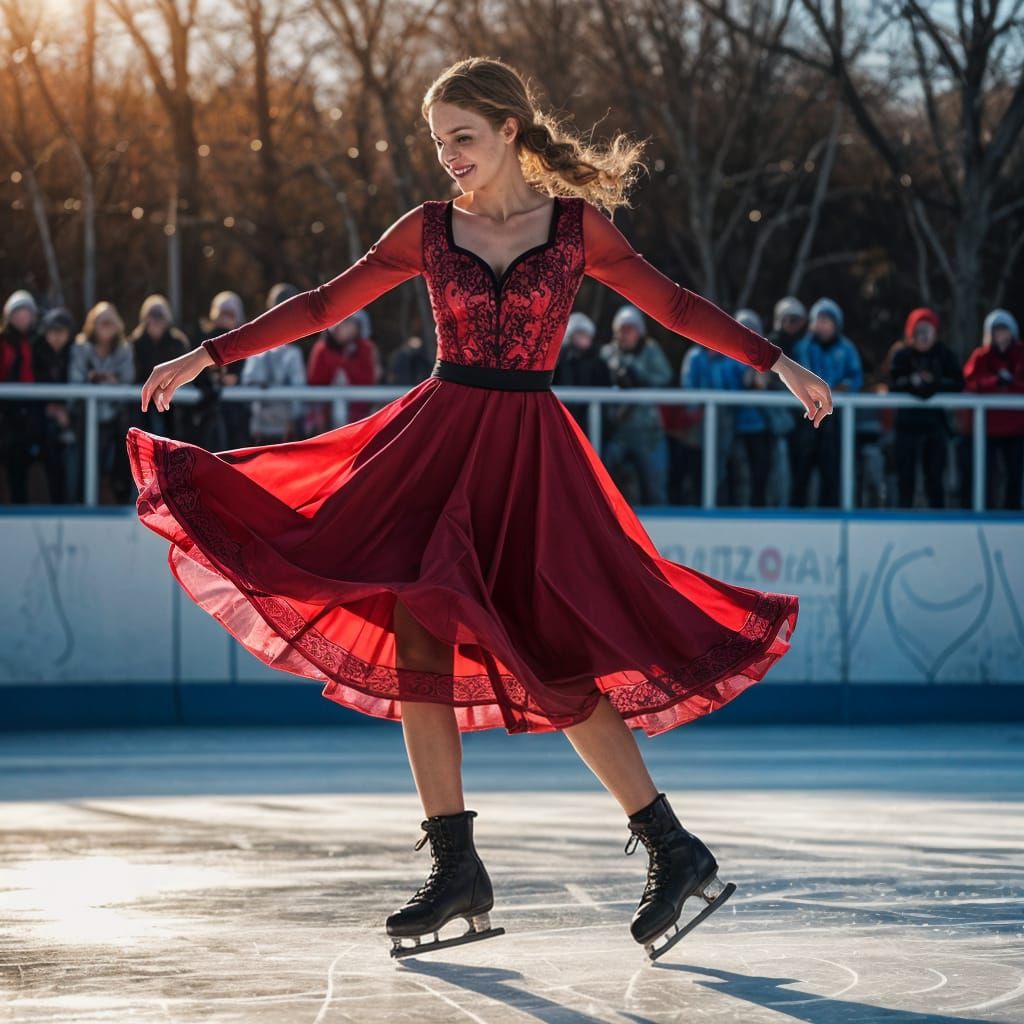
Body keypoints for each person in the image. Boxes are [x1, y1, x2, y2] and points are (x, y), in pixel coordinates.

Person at [125, 56, 830, 961]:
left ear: (509, 130)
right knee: (417, 637)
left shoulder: (578, 230)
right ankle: (455, 863)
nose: (448, 155)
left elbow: (677, 306)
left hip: (529, 463)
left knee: (551, 656)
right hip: (438, 446)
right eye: (437, 142)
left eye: (462, 137)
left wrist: (778, 361)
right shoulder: (427, 230)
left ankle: (672, 846)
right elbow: (323, 304)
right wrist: (206, 356)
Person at [789, 297, 863, 507]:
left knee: (830, 469)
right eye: (818, 320)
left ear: (836, 323)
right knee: (801, 469)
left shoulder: (847, 349)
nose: (822, 326)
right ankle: (797, 514)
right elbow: (799, 375)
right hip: (807, 416)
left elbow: (855, 377)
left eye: (826, 321)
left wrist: (844, 388)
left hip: (835, 418)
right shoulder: (804, 347)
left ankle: (829, 512)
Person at [888, 307, 963, 508]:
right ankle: (902, 520)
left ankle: (937, 521)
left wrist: (934, 383)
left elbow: (958, 383)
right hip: (907, 425)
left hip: (934, 426)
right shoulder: (901, 355)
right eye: (918, 332)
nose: (923, 338)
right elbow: (893, 384)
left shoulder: (944, 355)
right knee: (905, 478)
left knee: (935, 477)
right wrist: (913, 384)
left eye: (927, 332)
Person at [599, 304, 673, 505]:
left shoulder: (651, 351)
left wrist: (636, 375)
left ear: (639, 332)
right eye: (622, 329)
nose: (626, 334)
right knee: (601, 483)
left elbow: (665, 377)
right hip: (617, 431)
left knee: (655, 487)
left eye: (631, 329)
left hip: (649, 432)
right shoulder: (608, 354)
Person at [70, 302, 135, 503]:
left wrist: (113, 381)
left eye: (110, 322)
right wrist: (93, 379)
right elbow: (75, 380)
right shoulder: (80, 348)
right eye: (102, 322)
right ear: (93, 324)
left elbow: (128, 378)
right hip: (87, 417)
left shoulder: (124, 349)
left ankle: (123, 501)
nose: (107, 327)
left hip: (116, 416)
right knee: (88, 464)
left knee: (123, 461)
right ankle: (83, 504)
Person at [962, 309, 1024, 510]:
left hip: (1016, 428)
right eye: (996, 331)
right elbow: (970, 383)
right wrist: (995, 382)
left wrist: (1011, 384)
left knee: (1014, 473)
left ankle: (1012, 512)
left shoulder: (1020, 355)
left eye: (1004, 331)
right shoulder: (981, 357)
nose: (1001, 336)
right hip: (986, 429)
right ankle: (984, 511)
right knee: (985, 474)